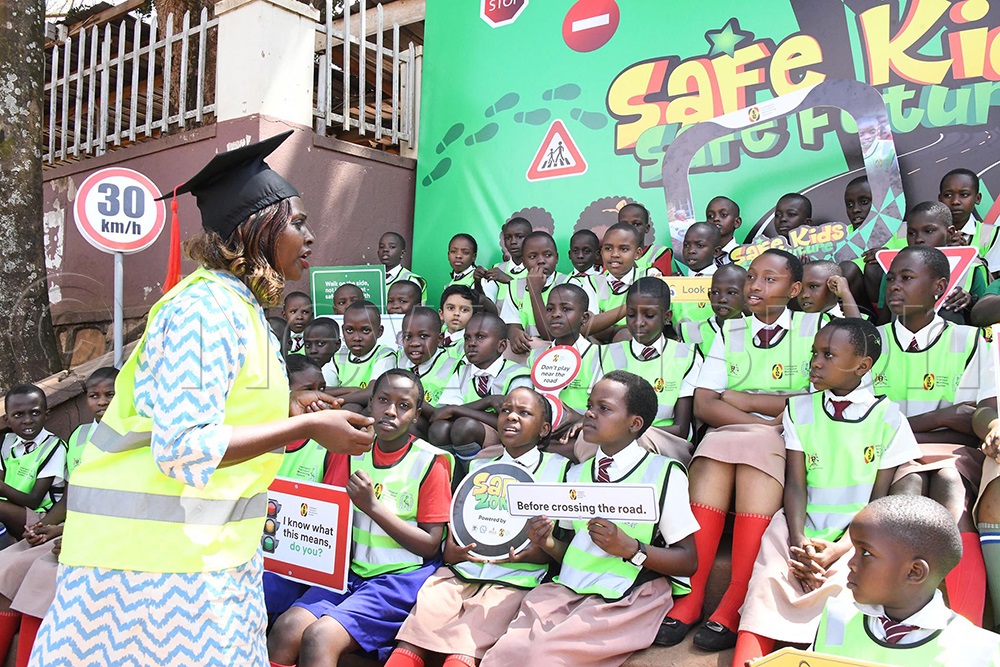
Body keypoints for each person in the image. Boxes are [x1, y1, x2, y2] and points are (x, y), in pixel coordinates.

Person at [30, 131, 377, 666]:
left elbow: (220, 407)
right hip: (149, 571)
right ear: (254, 229)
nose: (310, 236)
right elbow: (184, 448)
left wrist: (292, 409)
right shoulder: (203, 311)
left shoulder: (239, 308)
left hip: (207, 554)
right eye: (298, 222)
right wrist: (304, 431)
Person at [657, 249, 826, 651]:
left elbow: (812, 398)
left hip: (788, 435)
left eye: (770, 279)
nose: (755, 286)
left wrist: (744, 399)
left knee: (757, 451)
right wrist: (766, 409)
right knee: (712, 451)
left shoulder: (815, 327)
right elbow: (704, 404)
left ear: (795, 289)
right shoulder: (729, 331)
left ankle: (734, 601)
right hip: (739, 430)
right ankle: (692, 594)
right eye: (752, 277)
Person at [733, 318, 921, 666]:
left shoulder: (889, 419)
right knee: (769, 579)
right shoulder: (799, 409)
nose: (816, 362)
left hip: (859, 534)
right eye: (815, 353)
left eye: (829, 355)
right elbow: (796, 484)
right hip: (801, 523)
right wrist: (799, 538)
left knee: (843, 592)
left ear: (862, 366)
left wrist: (839, 548)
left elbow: (879, 503)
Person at [479, 372, 699, 666]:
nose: (590, 414)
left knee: (544, 656)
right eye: (589, 405)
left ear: (635, 424)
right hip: (567, 590)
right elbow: (570, 553)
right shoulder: (577, 475)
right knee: (505, 653)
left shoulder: (663, 473)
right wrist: (547, 542)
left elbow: (688, 560)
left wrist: (632, 549)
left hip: (626, 597)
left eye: (604, 408)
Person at [267, 370, 453, 667]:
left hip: (397, 580)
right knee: (287, 629)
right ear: (370, 403)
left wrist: (372, 506)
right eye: (382, 400)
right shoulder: (349, 450)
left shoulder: (431, 460)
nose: (391, 411)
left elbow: (431, 546)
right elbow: (328, 517)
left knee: (320, 636)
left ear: (416, 415)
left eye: (403, 405)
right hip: (348, 575)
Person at [386, 388, 570, 667]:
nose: (511, 418)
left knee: (460, 654)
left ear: (544, 429)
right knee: (410, 643)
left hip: (513, 581)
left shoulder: (561, 471)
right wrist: (453, 552)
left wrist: (535, 551)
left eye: (524, 413)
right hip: (461, 573)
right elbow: (455, 532)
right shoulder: (479, 464)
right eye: (506, 410)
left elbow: (559, 553)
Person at [871, 245, 992, 626]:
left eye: (906, 278)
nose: (894, 287)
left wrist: (898, 418)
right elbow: (865, 419)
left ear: (940, 286)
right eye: (891, 279)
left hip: (951, 454)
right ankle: (896, 622)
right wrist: (944, 416)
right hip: (891, 452)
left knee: (949, 485)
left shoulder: (971, 340)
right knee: (907, 489)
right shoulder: (869, 342)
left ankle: (967, 625)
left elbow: (979, 416)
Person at [0, 368, 117, 664]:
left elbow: (119, 505)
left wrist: (68, 533)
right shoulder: (80, 435)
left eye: (110, 395)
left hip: (100, 533)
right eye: (94, 396)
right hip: (70, 525)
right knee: (6, 564)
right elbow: (72, 494)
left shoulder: (136, 438)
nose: (102, 402)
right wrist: (47, 526)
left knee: (41, 576)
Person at [813, 495, 1000, 664]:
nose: (851, 563)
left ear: (914, 572)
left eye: (866, 553)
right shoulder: (835, 620)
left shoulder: (978, 651)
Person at [587, 278, 699, 465]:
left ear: (667, 316)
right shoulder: (606, 354)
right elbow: (598, 412)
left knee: (634, 443)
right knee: (587, 442)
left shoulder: (686, 355)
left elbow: (681, 428)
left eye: (649, 315)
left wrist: (628, 435)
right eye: (631, 315)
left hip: (666, 441)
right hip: (614, 437)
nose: (638, 323)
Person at [430, 313, 532, 460]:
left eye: (481, 337)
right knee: (439, 428)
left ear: (501, 345)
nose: (471, 343)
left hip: (507, 436)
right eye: (467, 338)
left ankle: (467, 473)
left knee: (464, 426)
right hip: (471, 431)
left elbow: (511, 422)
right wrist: (487, 402)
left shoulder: (517, 375)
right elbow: (441, 413)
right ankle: (450, 471)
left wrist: (456, 410)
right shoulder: (462, 371)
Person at [526, 283, 599, 451]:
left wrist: (581, 419)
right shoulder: (536, 357)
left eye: (566, 309)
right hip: (538, 433)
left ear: (585, 318)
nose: (556, 314)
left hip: (578, 435)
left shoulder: (599, 356)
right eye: (550, 309)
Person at [0, 385, 66, 541]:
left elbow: (34, 500)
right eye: (18, 415)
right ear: (7, 420)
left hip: (41, 517)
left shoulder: (55, 447)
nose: (28, 420)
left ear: (46, 415)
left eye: (35, 413)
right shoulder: (7, 442)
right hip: (12, 510)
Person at [497, 231, 571, 358]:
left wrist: (535, 292)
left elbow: (550, 335)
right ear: (524, 262)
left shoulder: (569, 284)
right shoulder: (514, 286)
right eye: (532, 257)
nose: (541, 261)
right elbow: (511, 324)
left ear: (557, 258)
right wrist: (514, 333)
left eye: (548, 255)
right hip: (527, 350)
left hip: (560, 351)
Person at [587, 222, 656, 339]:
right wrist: (632, 306)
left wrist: (604, 325)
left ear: (637, 254)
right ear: (601, 252)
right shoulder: (592, 282)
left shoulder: (649, 276)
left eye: (623, 249)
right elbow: (587, 327)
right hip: (599, 346)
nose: (614, 254)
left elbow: (647, 327)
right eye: (608, 248)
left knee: (626, 335)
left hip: (635, 345)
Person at [398, 307, 461, 435]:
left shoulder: (452, 364)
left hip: (437, 424)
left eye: (423, 336)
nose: (414, 343)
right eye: (408, 337)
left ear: (439, 339)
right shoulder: (399, 359)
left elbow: (446, 413)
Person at [328, 301, 397, 394]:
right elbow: (322, 389)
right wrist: (353, 390)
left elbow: (373, 393)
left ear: (379, 332)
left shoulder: (384, 355)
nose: (357, 338)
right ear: (343, 330)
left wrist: (336, 399)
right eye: (349, 330)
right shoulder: (338, 356)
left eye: (365, 330)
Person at [670, 222, 723, 332]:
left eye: (699, 246)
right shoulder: (674, 284)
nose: (691, 251)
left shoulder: (724, 282)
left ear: (716, 251)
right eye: (686, 245)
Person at [939, 168, 997, 265]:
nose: (955, 201)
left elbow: (993, 279)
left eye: (964, 194)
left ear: (977, 199)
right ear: (940, 199)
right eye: (948, 195)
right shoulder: (926, 233)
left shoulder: (992, 235)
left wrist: (969, 256)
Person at [477, 217, 531, 304]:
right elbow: (484, 305)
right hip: (498, 318)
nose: (513, 242)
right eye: (508, 238)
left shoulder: (538, 269)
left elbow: (533, 302)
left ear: (531, 238)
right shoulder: (497, 268)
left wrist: (508, 280)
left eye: (519, 237)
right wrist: (478, 283)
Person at [618, 202, 672, 276]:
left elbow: (657, 282)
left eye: (636, 224)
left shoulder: (660, 252)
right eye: (624, 225)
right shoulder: (612, 253)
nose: (630, 229)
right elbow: (608, 278)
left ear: (646, 228)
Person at [380, 232, 427, 304]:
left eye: (392, 247)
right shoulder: (372, 278)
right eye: (381, 247)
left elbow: (419, 311)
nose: (385, 250)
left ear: (402, 253)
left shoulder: (410, 279)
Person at [438, 285, 478, 360]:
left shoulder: (473, 345)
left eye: (464, 310)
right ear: (441, 314)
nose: (456, 313)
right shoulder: (434, 338)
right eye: (451, 308)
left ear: (473, 316)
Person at [303, 318, 342, 388]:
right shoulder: (302, 370)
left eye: (321, 344)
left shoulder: (336, 368)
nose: (313, 350)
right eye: (308, 345)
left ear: (337, 345)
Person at [706, 196, 742, 265]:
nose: (716, 219)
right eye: (710, 216)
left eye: (723, 215)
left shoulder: (745, 256)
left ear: (737, 222)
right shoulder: (702, 257)